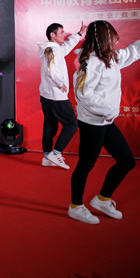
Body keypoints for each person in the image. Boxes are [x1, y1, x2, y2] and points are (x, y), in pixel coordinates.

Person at [68, 21, 140, 224]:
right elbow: (83, 94)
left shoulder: (110, 58)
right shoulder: (90, 63)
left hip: (106, 121)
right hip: (92, 122)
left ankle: (102, 199)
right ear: (103, 38)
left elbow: (133, 52)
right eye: (112, 37)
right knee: (86, 165)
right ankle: (75, 206)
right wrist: (108, 111)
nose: (116, 40)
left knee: (127, 161)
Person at [37, 22, 87, 169]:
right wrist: (60, 83)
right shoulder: (51, 50)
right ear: (52, 35)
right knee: (71, 124)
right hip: (56, 96)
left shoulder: (54, 48)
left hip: (47, 95)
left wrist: (79, 34)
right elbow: (50, 69)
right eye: (61, 32)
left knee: (50, 125)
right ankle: (56, 153)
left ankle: (47, 156)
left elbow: (66, 47)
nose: (64, 35)